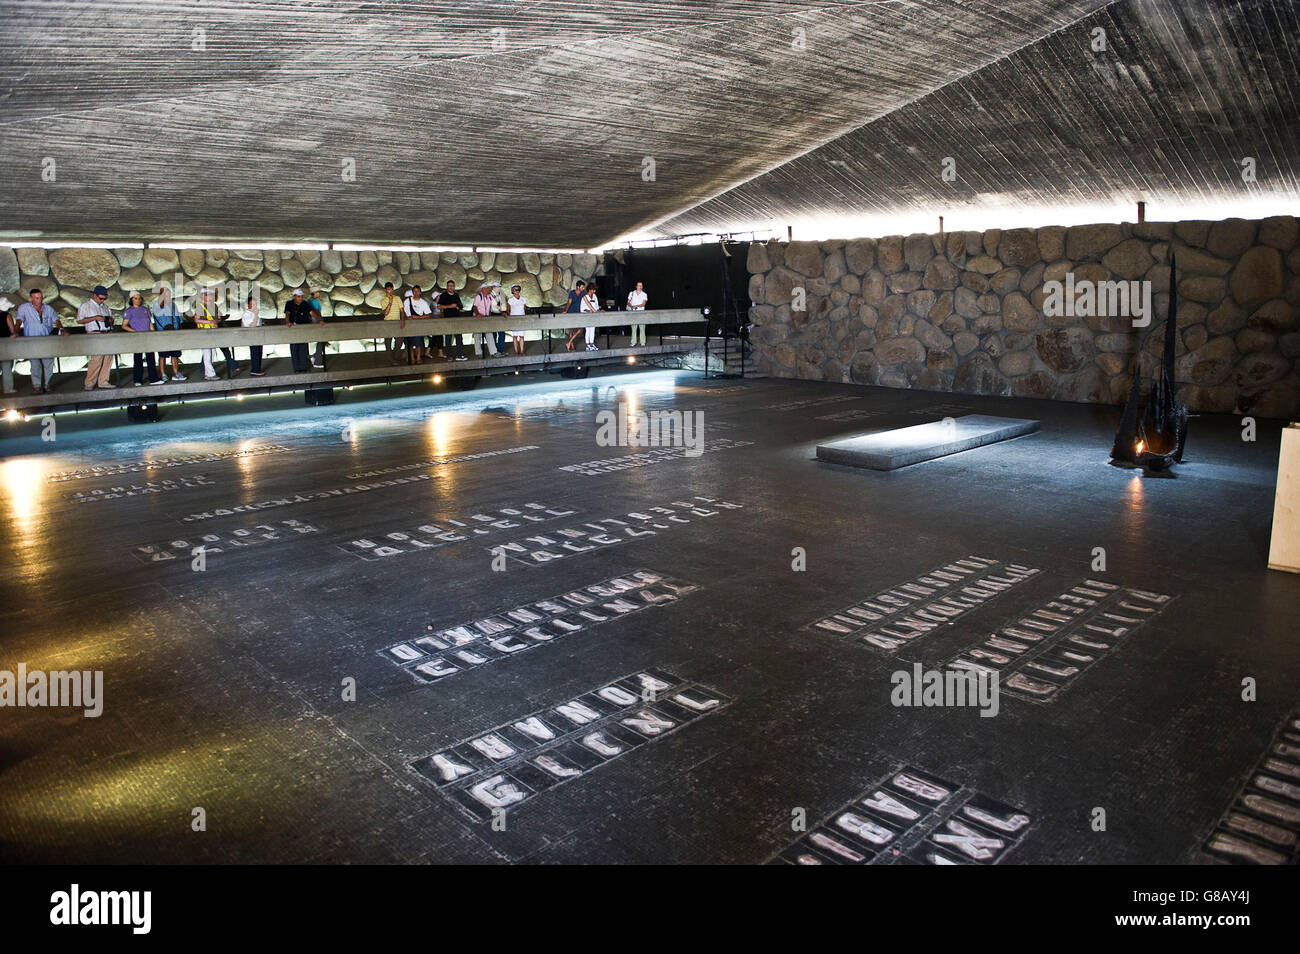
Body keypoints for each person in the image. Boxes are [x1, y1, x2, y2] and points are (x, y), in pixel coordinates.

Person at [16, 288, 64, 393]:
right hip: (32, 340)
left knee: (49, 363)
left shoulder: (48, 308)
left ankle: (47, 385)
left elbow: (56, 320)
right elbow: (19, 320)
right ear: (31, 298)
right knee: (35, 364)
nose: (40, 300)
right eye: (37, 298)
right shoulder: (24, 308)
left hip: (46, 340)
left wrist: (62, 329)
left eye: (41, 297)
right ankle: (37, 386)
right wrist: (15, 332)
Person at [77, 284, 116, 390]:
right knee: (96, 358)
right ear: (94, 295)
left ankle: (103, 381)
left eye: (104, 299)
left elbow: (111, 319)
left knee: (108, 358)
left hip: (106, 333)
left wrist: (110, 321)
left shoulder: (105, 307)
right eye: (100, 298)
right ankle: (89, 383)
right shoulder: (86, 306)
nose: (102, 300)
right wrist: (95, 318)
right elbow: (80, 320)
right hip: (94, 333)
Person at [121, 291, 161, 385]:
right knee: (138, 359)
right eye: (135, 298)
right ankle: (137, 380)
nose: (138, 300)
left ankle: (153, 379)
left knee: (151, 358)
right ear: (131, 300)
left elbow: (150, 323)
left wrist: (153, 333)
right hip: (137, 338)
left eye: (139, 298)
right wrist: (135, 332)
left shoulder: (145, 309)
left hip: (148, 337)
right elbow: (124, 325)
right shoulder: (129, 311)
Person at [192, 289, 228, 380]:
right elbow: (196, 320)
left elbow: (218, 318)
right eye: (208, 295)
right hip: (204, 333)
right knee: (207, 353)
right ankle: (210, 374)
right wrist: (209, 321)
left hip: (212, 332)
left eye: (211, 295)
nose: (211, 297)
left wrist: (216, 321)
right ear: (203, 296)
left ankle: (208, 373)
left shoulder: (214, 306)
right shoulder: (200, 307)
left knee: (212, 353)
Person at [151, 285, 185, 381]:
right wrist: (165, 328)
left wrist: (179, 329)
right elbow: (157, 319)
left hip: (174, 333)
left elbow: (179, 318)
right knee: (163, 354)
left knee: (175, 354)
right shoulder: (156, 304)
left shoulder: (173, 304)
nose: (168, 296)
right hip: (163, 333)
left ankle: (176, 373)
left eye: (169, 294)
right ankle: (163, 374)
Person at [284, 288, 314, 372]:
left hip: (303, 328)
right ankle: (296, 368)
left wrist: (319, 320)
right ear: (294, 297)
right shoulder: (289, 304)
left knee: (303, 348)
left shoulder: (305, 304)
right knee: (294, 348)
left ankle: (304, 367)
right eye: (298, 297)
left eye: (301, 296)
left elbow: (311, 312)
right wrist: (287, 321)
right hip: (293, 328)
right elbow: (287, 313)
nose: (300, 298)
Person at [402, 285, 432, 365]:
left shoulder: (423, 302)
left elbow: (428, 315)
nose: (416, 293)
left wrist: (418, 317)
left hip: (418, 325)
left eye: (417, 291)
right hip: (409, 325)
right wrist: (407, 318)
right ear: (412, 292)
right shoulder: (407, 301)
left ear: (420, 292)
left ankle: (418, 358)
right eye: (414, 291)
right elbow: (403, 312)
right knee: (410, 343)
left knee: (418, 343)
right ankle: (412, 358)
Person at [438, 280, 466, 360]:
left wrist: (458, 307)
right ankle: (449, 356)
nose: (451, 287)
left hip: (457, 318)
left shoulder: (456, 295)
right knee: (448, 338)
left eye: (452, 286)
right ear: (447, 287)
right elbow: (439, 306)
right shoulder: (443, 295)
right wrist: (450, 306)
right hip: (447, 319)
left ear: (454, 287)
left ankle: (460, 355)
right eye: (449, 286)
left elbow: (460, 305)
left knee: (459, 337)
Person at [472, 282, 499, 357]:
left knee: (489, 334)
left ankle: (493, 352)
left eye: (488, 288)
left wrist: (502, 312)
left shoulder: (490, 297)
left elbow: (495, 305)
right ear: (483, 289)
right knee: (477, 335)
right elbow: (475, 307)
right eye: (487, 288)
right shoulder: (478, 297)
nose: (488, 290)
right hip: (478, 318)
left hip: (486, 318)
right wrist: (477, 314)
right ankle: (478, 353)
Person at [240, 294, 265, 376]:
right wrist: (256, 315)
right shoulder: (246, 314)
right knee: (254, 352)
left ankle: (258, 368)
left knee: (259, 352)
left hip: (258, 335)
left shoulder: (255, 313)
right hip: (252, 336)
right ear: (249, 305)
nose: (255, 306)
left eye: (255, 304)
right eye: (253, 304)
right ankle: (255, 369)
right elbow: (252, 325)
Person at [379, 282, 403, 364]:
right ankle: (391, 360)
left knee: (399, 340)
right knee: (388, 342)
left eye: (391, 289)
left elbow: (402, 310)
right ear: (385, 290)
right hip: (387, 322)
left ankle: (395, 357)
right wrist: (390, 302)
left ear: (393, 289)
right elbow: (385, 313)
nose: (389, 291)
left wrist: (402, 321)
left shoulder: (398, 298)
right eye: (388, 289)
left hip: (397, 321)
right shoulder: (383, 300)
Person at [0, 297, 16, 394]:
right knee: (6, 367)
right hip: (5, 344)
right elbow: (12, 331)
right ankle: (8, 388)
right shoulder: (7, 316)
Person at [506, 284, 528, 355]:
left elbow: (524, 308)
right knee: (515, 336)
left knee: (521, 336)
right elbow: (508, 310)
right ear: (513, 291)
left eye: (518, 289)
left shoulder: (523, 299)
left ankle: (522, 351)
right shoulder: (510, 300)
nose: (517, 291)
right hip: (514, 319)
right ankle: (516, 351)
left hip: (522, 319)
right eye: (515, 290)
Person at [308, 288, 327, 368]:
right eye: (318, 292)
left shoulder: (309, 300)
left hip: (314, 322)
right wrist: (320, 320)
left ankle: (314, 357)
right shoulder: (314, 301)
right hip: (316, 322)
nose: (319, 293)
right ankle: (317, 362)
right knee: (320, 341)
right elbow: (315, 312)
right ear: (314, 293)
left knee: (318, 341)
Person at [565, 279, 586, 351]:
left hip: (579, 313)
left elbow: (586, 302)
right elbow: (569, 302)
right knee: (571, 330)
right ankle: (572, 346)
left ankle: (569, 342)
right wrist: (565, 311)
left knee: (580, 330)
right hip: (571, 313)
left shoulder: (583, 293)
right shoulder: (572, 293)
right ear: (578, 287)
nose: (583, 288)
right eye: (582, 287)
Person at [581, 281, 601, 351]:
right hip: (586, 316)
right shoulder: (585, 297)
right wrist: (588, 310)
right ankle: (587, 345)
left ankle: (592, 344)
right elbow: (583, 308)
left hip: (594, 316)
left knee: (593, 329)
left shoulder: (594, 296)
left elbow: (596, 306)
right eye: (593, 290)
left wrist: (599, 310)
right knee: (588, 329)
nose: (594, 291)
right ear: (590, 290)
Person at [627, 281, 648, 347]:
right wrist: (631, 306)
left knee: (642, 327)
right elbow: (628, 302)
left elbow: (643, 304)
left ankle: (643, 342)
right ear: (636, 286)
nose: (640, 287)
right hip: (633, 312)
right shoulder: (631, 293)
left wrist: (636, 306)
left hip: (641, 312)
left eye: (641, 285)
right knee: (633, 327)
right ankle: (633, 342)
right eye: (639, 285)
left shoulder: (644, 294)